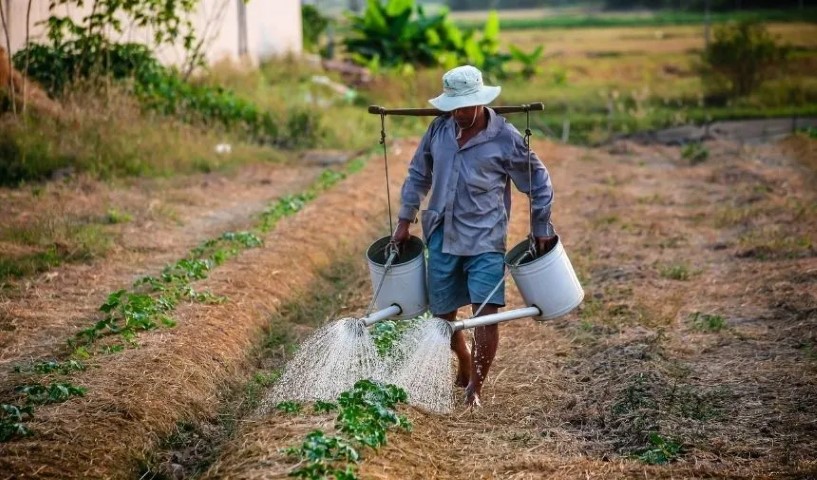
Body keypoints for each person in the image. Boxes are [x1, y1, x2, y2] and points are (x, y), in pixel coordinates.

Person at [391, 65, 556, 407]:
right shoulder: (438, 130)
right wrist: (404, 220)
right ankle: (463, 358)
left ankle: (474, 390)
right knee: (443, 317)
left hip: (486, 239)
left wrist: (540, 227)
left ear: (481, 102)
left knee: (486, 313)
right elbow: (418, 175)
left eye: (466, 106)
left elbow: (539, 182)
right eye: (454, 107)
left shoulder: (505, 138)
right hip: (441, 234)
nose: (460, 113)